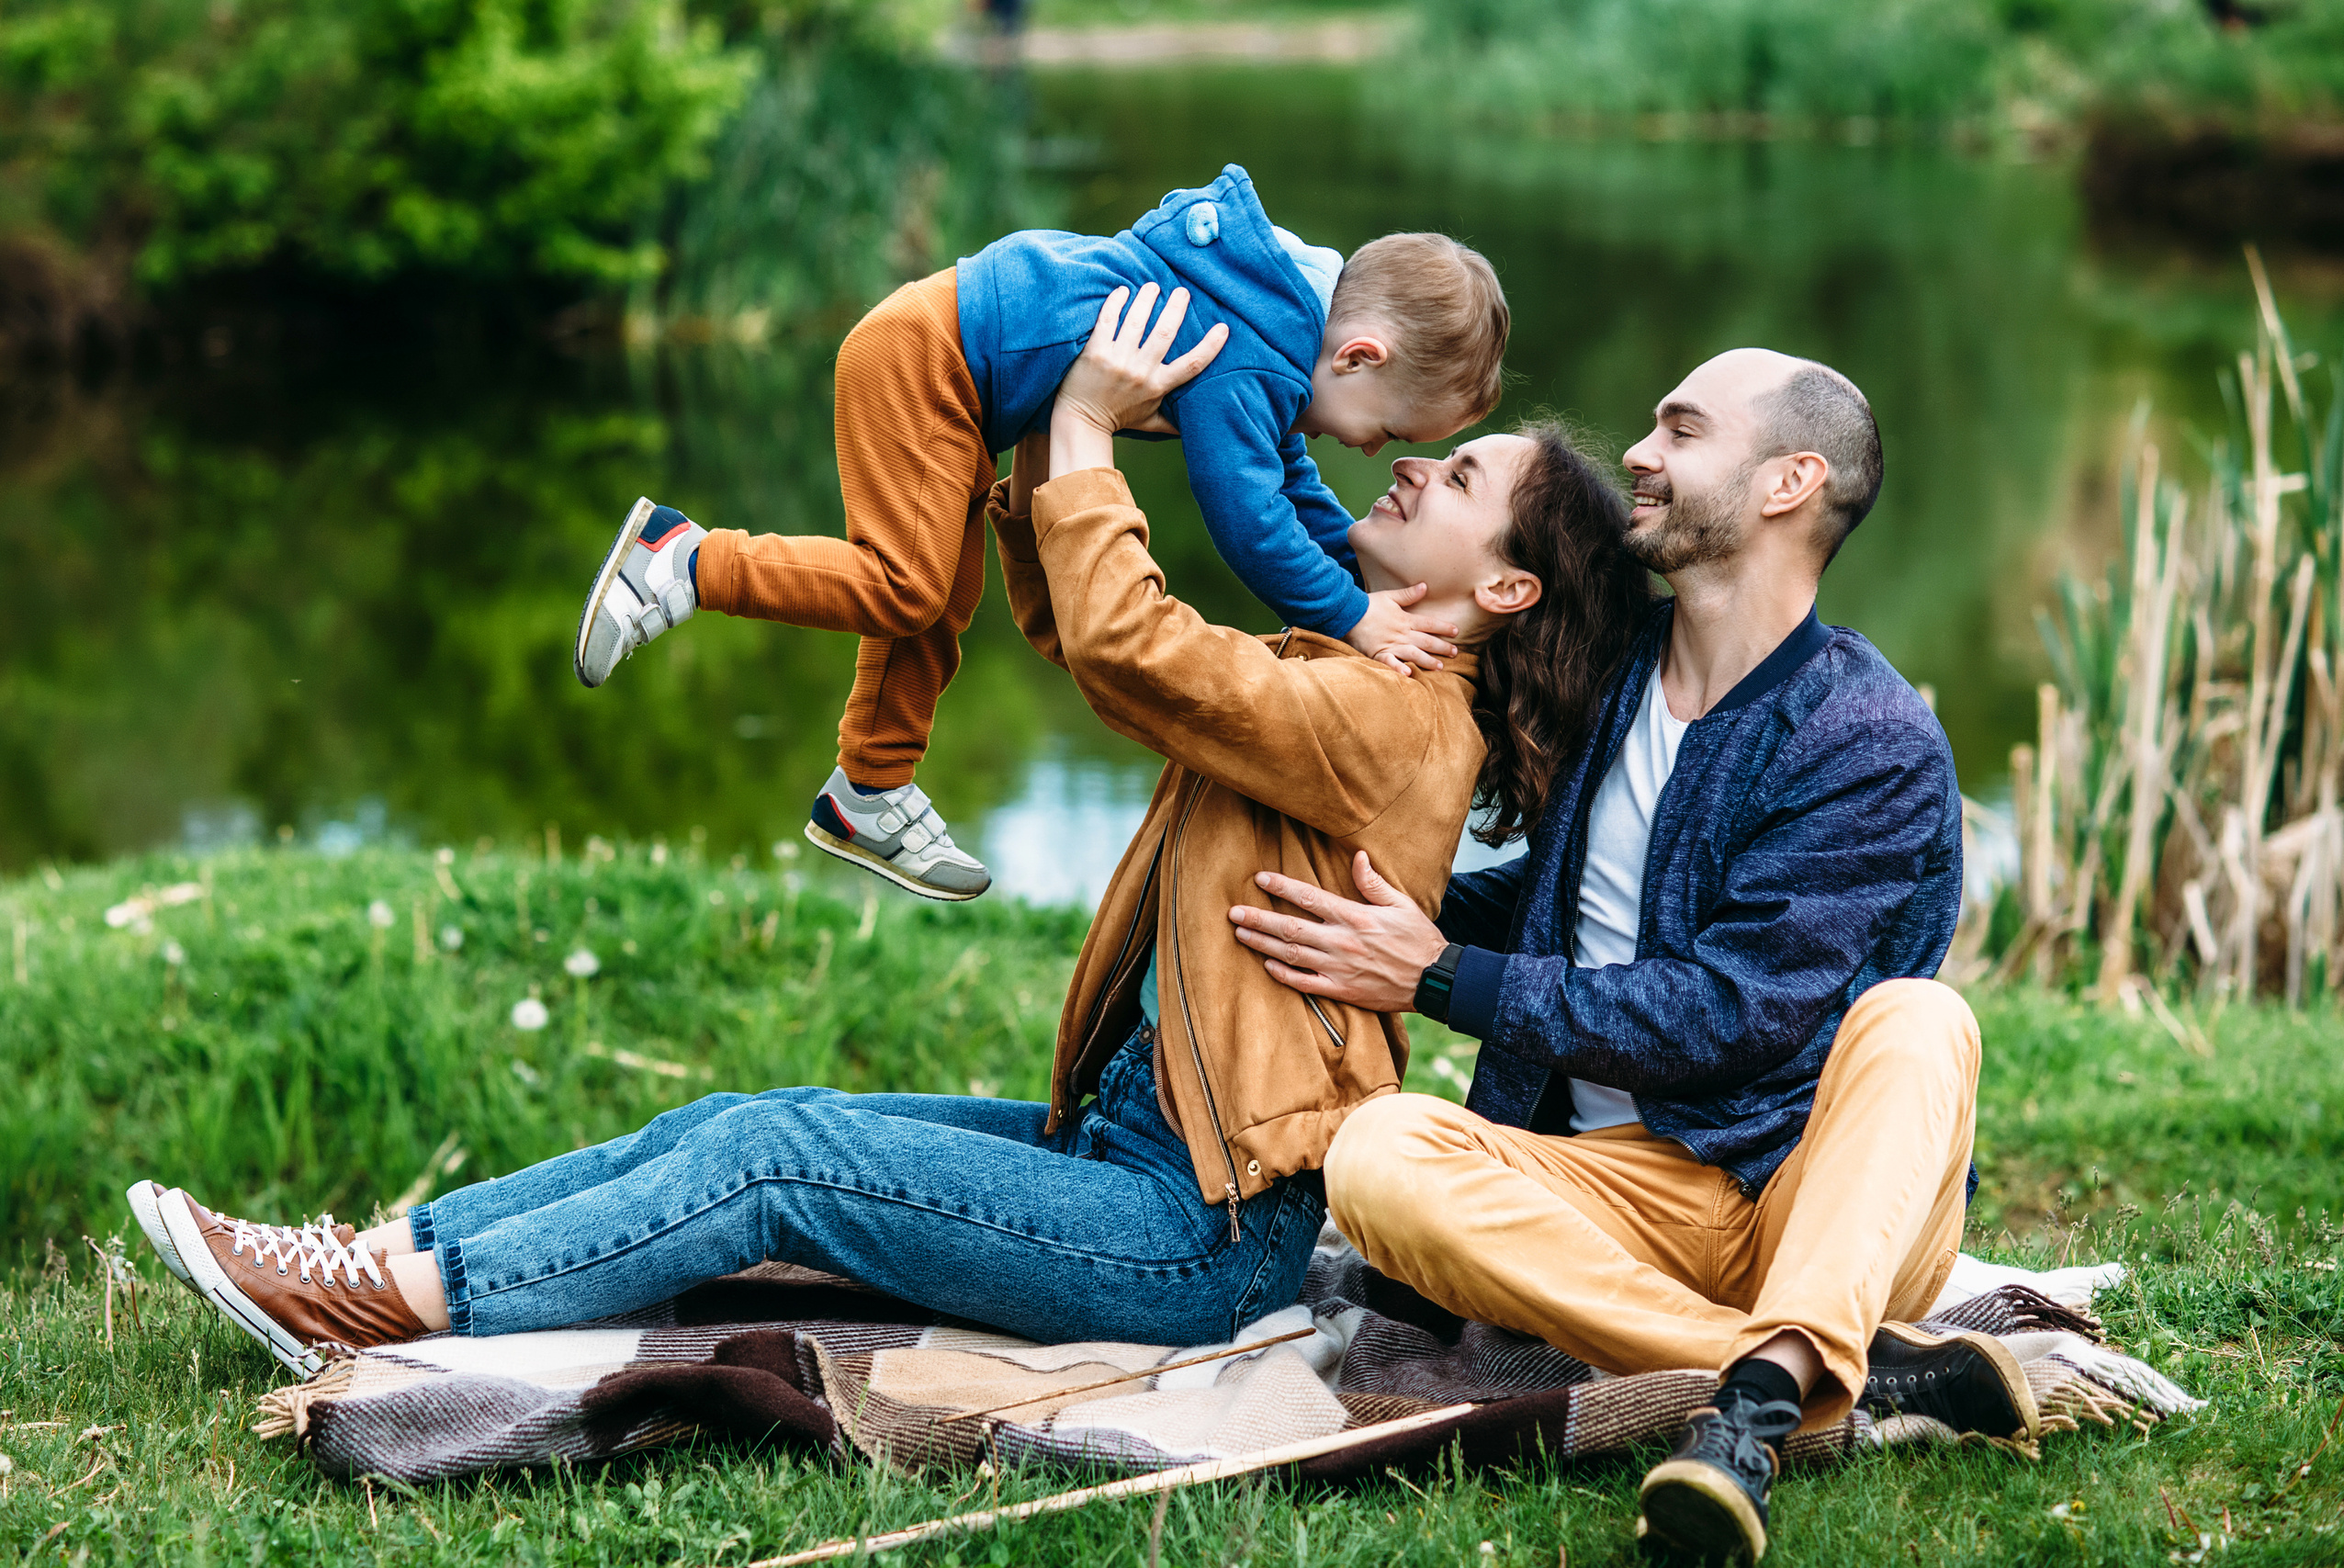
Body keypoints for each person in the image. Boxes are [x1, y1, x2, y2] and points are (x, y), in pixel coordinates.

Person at [127, 287, 1648, 1380]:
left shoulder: (1396, 720)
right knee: (732, 1120)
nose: (1408, 466)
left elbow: (1139, 650)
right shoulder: (1361, 670)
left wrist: (1096, 427)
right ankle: (376, 1250)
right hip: (1139, 1147)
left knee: (779, 1157)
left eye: (1454, 478)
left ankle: (391, 1300)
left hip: (1198, 1230)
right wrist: (1036, 455)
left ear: (1506, 589)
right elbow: (1105, 643)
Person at [1225, 348, 2035, 1562]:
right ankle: (1815, 1366)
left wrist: (1437, 976)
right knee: (1381, 1150)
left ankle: (1755, 1413)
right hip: (1616, 1186)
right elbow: (1580, 905)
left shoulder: (1865, 735)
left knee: (1923, 1021)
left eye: (1682, 430)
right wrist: (1397, 899)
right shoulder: (1614, 678)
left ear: (1788, 481)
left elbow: (1730, 1013)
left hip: (1802, 1185)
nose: (1641, 458)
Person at [570, 164, 1510, 902]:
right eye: (1382, 429)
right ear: (1357, 356)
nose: (1367, 450)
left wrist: (1366, 567)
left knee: (939, 599)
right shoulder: (1255, 352)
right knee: (902, 586)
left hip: (963, 377)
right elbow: (1249, 520)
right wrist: (1352, 615)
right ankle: (684, 558)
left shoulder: (1275, 323)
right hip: (931, 356)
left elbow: (1288, 487)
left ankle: (869, 788)